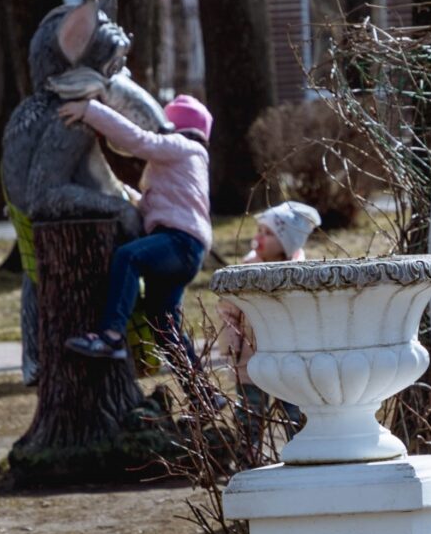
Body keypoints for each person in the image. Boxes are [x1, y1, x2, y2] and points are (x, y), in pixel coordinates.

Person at [58, 94, 216, 365]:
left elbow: (139, 140)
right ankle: (204, 394)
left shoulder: (181, 147)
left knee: (128, 256)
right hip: (187, 249)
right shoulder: (188, 163)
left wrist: (92, 110)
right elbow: (160, 202)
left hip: (178, 242)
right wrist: (128, 196)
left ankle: (111, 336)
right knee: (163, 324)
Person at [215, 200, 322, 388]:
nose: (259, 237)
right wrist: (231, 346)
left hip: (292, 361)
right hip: (250, 359)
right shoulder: (245, 271)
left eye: (269, 233)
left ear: (286, 243)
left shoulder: (301, 276)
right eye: (259, 230)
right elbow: (228, 310)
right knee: (251, 410)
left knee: (292, 408)